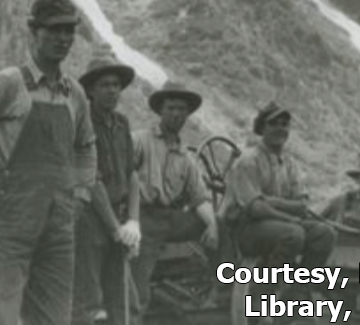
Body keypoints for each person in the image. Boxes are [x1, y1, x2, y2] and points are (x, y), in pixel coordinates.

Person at [0, 0, 96, 325]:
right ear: (34, 33)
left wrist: (82, 195)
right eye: (54, 30)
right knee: (1, 315)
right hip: (13, 219)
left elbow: (86, 147)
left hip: (60, 225)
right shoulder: (10, 83)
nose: (63, 38)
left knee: (55, 317)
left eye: (69, 31)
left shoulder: (75, 93)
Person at [132, 79, 218, 314]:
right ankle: (135, 312)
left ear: (187, 114)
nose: (176, 114)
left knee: (220, 226)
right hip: (142, 219)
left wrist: (212, 225)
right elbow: (120, 178)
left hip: (170, 219)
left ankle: (221, 290)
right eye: (171, 108)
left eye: (182, 109)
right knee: (137, 290)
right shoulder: (139, 140)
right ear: (160, 110)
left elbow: (199, 198)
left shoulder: (186, 157)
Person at [73, 47, 142, 325]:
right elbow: (93, 181)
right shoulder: (84, 123)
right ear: (90, 90)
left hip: (118, 217)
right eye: (105, 85)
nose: (112, 91)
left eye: (116, 85)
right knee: (90, 303)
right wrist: (116, 229)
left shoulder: (122, 123)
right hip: (89, 220)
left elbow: (132, 175)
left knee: (126, 302)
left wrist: (133, 223)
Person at [221, 101, 335, 270]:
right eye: (273, 124)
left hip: (281, 225)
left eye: (284, 124)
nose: (279, 128)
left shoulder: (291, 165)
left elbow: (302, 206)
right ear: (262, 128)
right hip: (246, 231)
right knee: (293, 234)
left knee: (325, 234)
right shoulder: (248, 161)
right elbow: (256, 209)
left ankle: (298, 289)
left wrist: (269, 201)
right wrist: (289, 216)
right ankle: (266, 289)